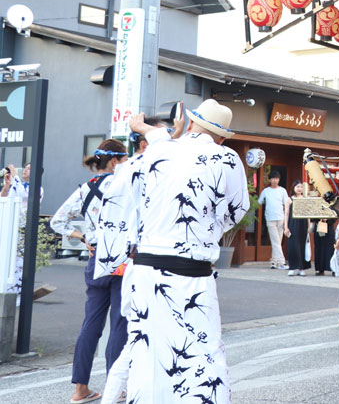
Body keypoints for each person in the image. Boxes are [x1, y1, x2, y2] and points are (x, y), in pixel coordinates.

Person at [95, 99, 249, 403]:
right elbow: (235, 210)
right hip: (192, 272)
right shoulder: (226, 158)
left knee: (142, 351)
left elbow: (117, 193)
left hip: (145, 270)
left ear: (191, 124)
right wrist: (209, 229)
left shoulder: (158, 151)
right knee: (202, 354)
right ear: (221, 136)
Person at [50, 140, 129, 404]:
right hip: (121, 260)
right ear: (116, 161)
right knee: (119, 323)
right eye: (125, 159)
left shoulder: (85, 188)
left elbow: (57, 221)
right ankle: (114, 388)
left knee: (90, 325)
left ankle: (80, 389)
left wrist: (82, 236)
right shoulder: (125, 185)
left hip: (96, 260)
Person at [1, 162, 43, 298]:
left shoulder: (38, 189)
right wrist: (7, 186)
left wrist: (15, 175)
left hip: (22, 231)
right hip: (8, 226)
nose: (26, 170)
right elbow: (3, 199)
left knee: (18, 264)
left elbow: (23, 194)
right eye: (26, 167)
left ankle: (16, 296)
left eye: (30, 169)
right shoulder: (16, 184)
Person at [259, 170, 290, 270]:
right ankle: (282, 262)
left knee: (277, 241)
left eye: (276, 178)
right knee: (276, 241)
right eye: (273, 178)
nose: (275, 180)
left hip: (280, 218)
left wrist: (286, 220)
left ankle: (274, 261)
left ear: (279, 179)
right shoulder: (266, 191)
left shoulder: (282, 191)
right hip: (270, 218)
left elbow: (287, 204)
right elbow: (259, 202)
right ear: (270, 180)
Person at [285, 181, 310, 276]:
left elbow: (308, 213)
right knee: (293, 246)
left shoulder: (305, 199)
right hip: (293, 223)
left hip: (303, 224)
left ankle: (301, 268)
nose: (299, 188)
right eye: (297, 186)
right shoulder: (289, 199)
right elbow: (286, 213)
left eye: (301, 187)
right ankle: (292, 267)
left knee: (302, 245)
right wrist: (285, 226)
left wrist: (309, 225)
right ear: (293, 188)